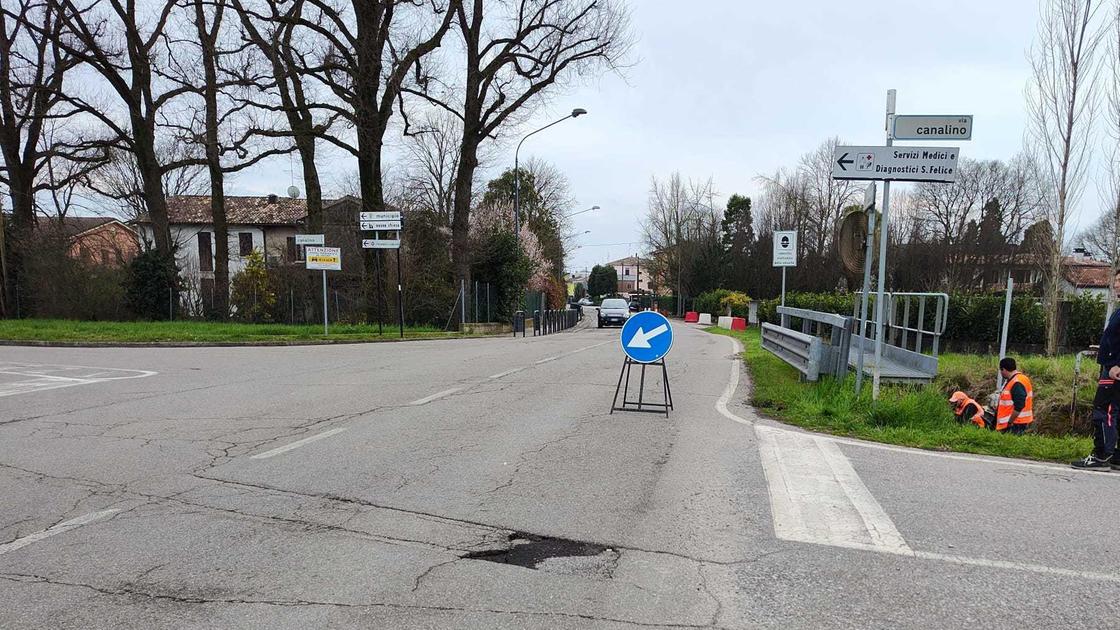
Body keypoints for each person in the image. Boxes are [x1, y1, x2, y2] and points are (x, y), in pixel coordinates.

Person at [1073, 270, 1120, 470]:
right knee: (1117, 411)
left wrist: (1117, 363)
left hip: (1114, 369)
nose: (1115, 285)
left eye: (1119, 281)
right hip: (1111, 365)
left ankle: (1101, 455)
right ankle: (1117, 456)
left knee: (1104, 410)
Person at [994, 358, 1033, 435]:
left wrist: (1010, 422)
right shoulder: (1021, 378)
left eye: (1001, 370)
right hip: (1018, 422)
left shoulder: (1016, 382)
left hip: (1015, 423)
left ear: (1004, 369)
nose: (1001, 373)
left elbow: (1019, 405)